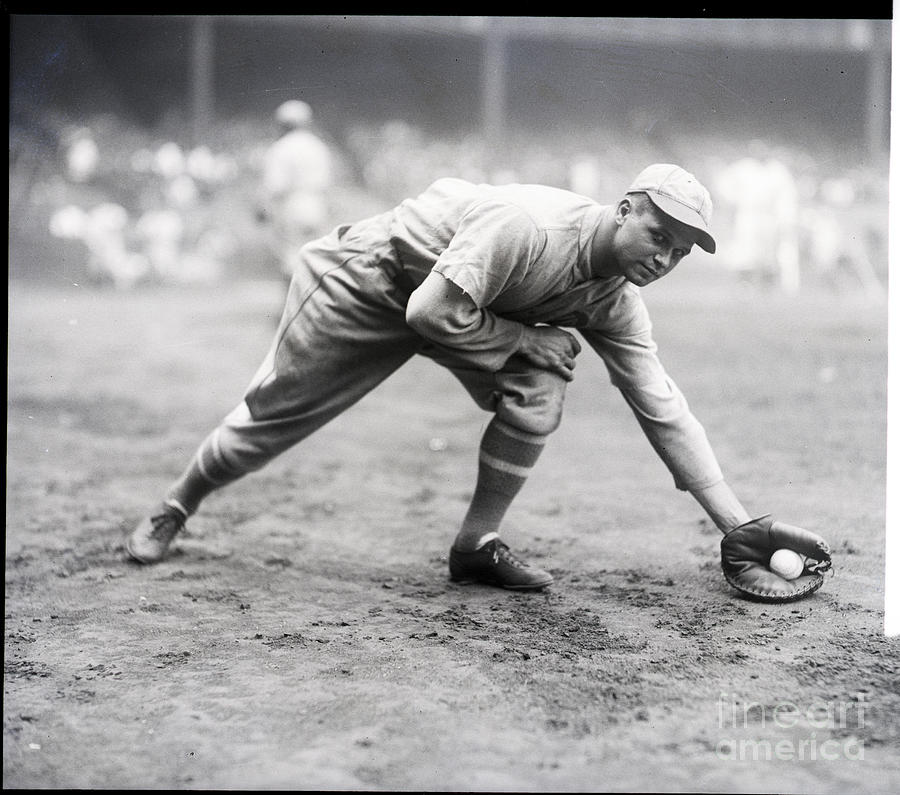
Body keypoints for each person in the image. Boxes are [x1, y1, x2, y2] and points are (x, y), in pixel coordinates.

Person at [125, 164, 822, 593]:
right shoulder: (528, 226)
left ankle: (474, 547)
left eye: (679, 249)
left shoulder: (615, 299)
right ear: (625, 208)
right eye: (657, 233)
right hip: (374, 279)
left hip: (465, 307)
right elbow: (427, 309)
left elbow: (662, 403)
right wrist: (525, 337)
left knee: (540, 389)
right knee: (272, 415)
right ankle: (177, 504)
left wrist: (737, 523)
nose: (664, 256)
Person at [257, 99, 334, 281]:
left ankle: (293, 306)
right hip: (317, 203)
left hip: (293, 204)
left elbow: (276, 186)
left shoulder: (281, 148)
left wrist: (263, 208)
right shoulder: (318, 146)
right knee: (316, 256)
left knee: (291, 257)